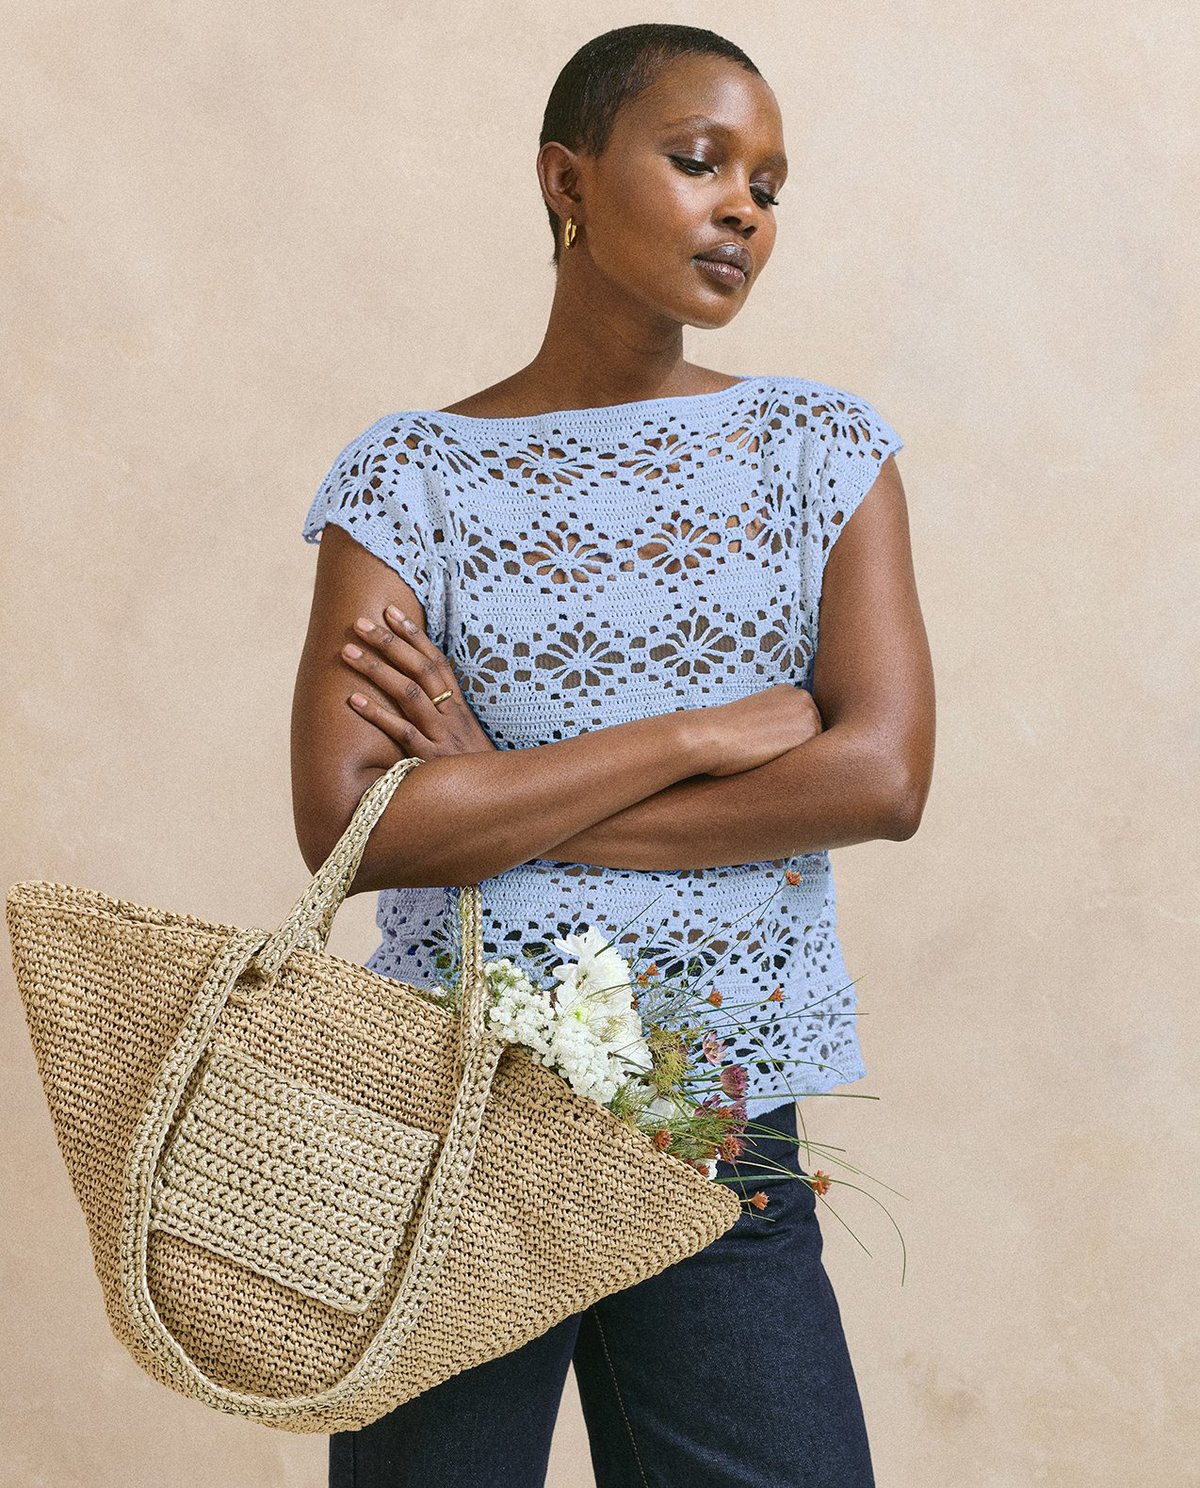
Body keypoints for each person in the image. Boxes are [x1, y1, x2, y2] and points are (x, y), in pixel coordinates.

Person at [291, 22, 935, 1488]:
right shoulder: (411, 477)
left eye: (770, 184)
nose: (745, 209)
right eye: (700, 160)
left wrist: (495, 795)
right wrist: (695, 740)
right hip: (451, 1118)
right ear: (565, 180)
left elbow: (879, 778)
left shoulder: (821, 452)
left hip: (710, 1123)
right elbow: (356, 826)